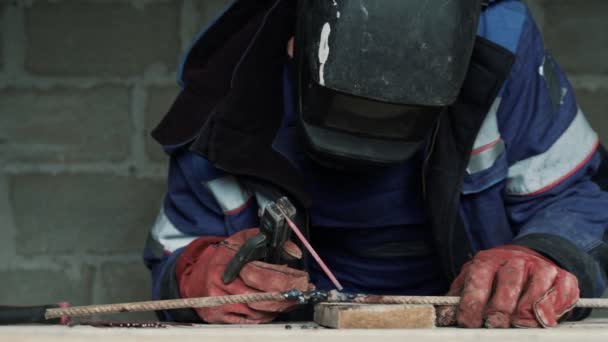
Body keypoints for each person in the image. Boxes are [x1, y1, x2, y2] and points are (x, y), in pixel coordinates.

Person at [143, 0, 608, 328]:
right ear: (294, 44)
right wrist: (193, 274)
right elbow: (175, 252)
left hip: (474, 326)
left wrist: (544, 256)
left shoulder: (499, 45)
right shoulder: (228, 84)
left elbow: (578, 197)